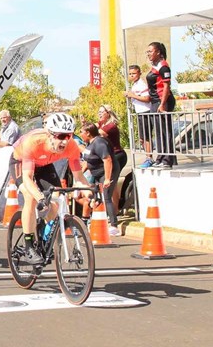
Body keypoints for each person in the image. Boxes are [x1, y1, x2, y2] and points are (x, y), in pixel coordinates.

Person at [13, 113, 90, 265]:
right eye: (60, 136)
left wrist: (89, 193)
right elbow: (27, 177)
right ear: (50, 135)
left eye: (68, 136)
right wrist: (40, 198)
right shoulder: (33, 142)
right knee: (30, 197)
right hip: (21, 162)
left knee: (56, 199)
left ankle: (44, 238)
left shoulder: (72, 146)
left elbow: (79, 177)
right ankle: (29, 246)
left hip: (45, 165)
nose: (64, 141)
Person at [78, 122, 120, 237]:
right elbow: (88, 160)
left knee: (106, 197)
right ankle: (98, 222)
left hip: (107, 173)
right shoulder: (90, 144)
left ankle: (114, 226)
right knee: (96, 198)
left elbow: (107, 160)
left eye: (81, 132)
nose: (80, 134)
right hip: (97, 174)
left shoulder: (99, 143)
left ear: (88, 133)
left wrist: (107, 179)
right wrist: (80, 174)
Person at [145, 42, 176, 169]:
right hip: (154, 101)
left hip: (162, 100)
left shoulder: (163, 67)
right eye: (147, 52)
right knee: (157, 131)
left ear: (158, 52)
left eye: (150, 51)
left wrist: (162, 104)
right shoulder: (155, 66)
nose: (148, 54)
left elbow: (166, 86)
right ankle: (160, 157)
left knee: (164, 130)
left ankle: (167, 159)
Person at [96, 103, 128, 219]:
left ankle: (114, 211)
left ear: (108, 114)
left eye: (101, 112)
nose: (99, 114)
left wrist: (90, 128)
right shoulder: (102, 124)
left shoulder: (110, 126)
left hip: (117, 155)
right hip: (112, 155)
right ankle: (115, 210)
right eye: (98, 112)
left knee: (111, 183)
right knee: (113, 185)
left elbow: (98, 133)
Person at [124, 65, 153, 165]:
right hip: (139, 112)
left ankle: (149, 157)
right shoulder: (135, 85)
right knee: (142, 138)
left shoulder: (142, 85)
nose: (132, 75)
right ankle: (147, 156)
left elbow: (147, 98)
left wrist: (133, 96)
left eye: (134, 73)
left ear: (139, 73)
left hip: (145, 112)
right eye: (130, 74)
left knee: (146, 137)